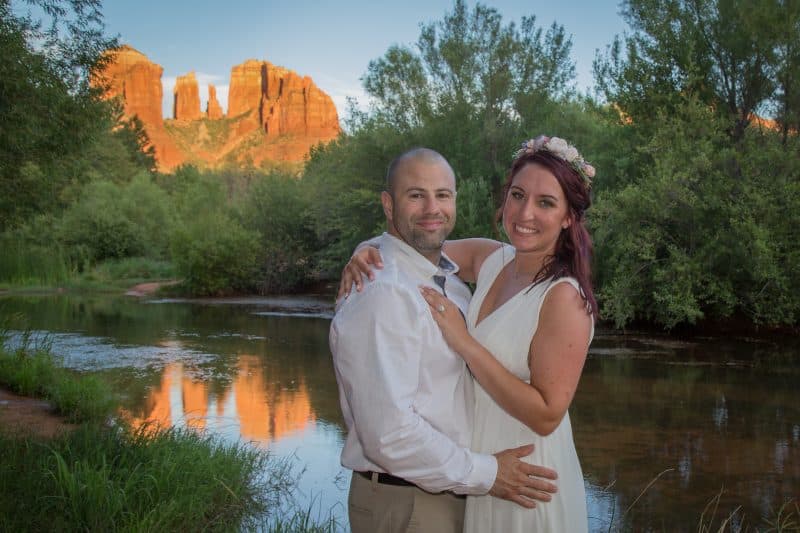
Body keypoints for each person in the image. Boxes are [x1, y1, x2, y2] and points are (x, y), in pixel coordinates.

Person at [340, 136, 597, 532]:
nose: (526, 212)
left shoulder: (563, 297)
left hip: (526, 473)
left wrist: (465, 343)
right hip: (480, 473)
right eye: (517, 195)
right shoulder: (493, 259)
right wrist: (364, 251)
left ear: (568, 217)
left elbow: (547, 415)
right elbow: (415, 245)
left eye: (546, 202)